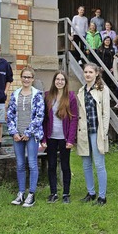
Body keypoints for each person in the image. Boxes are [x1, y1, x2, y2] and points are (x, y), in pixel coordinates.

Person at [7, 66, 45, 207]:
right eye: (24, 77)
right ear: (21, 78)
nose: (26, 79)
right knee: (20, 164)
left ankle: (31, 194)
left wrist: (28, 133)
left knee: (32, 163)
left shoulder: (37, 95)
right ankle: (21, 192)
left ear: (33, 79)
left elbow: (40, 116)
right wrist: (14, 132)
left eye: (29, 77)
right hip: (18, 135)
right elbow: (10, 114)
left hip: (31, 135)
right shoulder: (15, 94)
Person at [77, 63, 110, 206]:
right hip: (84, 132)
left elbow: (106, 113)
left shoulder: (102, 90)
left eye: (90, 72)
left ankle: (102, 196)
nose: (88, 74)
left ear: (96, 73)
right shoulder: (81, 91)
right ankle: (91, 193)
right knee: (86, 164)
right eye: (85, 72)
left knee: (99, 164)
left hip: (97, 132)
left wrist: (104, 132)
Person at [44, 71, 78, 204]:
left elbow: (74, 119)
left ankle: (66, 194)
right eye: (57, 79)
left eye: (62, 80)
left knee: (65, 166)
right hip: (51, 137)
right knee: (51, 165)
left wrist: (71, 139)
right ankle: (53, 193)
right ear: (54, 81)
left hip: (64, 138)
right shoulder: (47, 96)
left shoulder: (71, 97)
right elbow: (44, 119)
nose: (59, 82)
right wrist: (44, 139)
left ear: (65, 82)